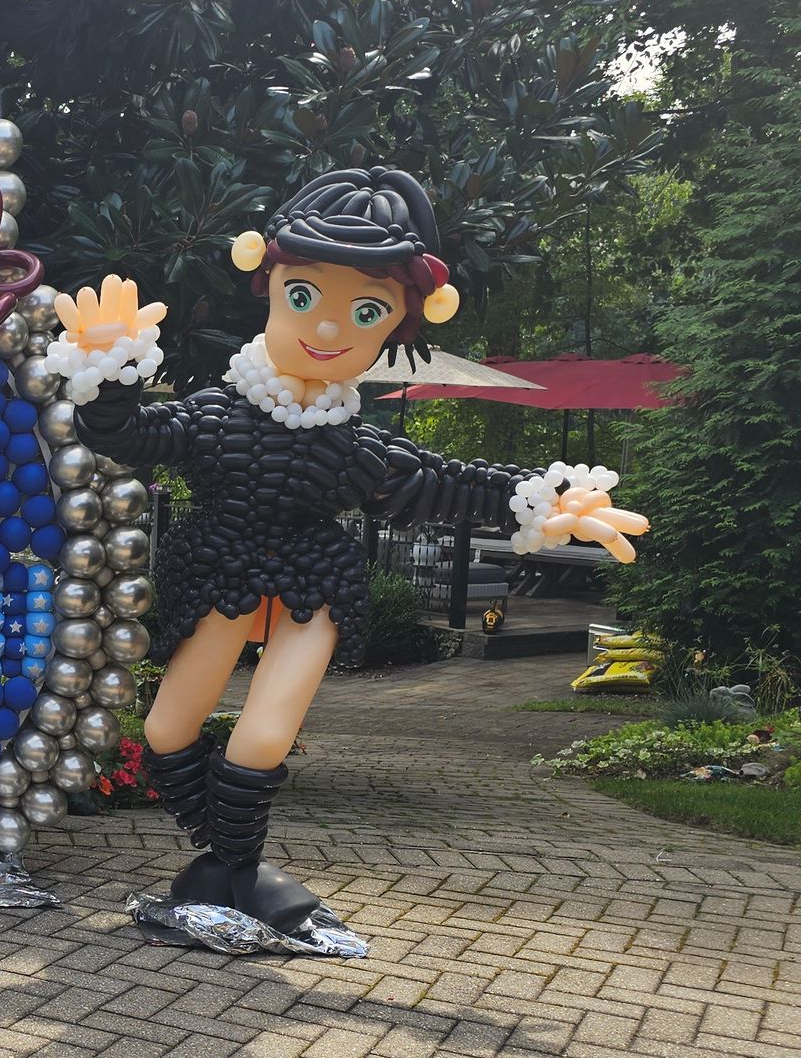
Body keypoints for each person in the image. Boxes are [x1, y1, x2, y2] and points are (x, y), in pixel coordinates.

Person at [54, 167, 647, 932]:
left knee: (264, 735)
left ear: (399, 323)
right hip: (216, 570)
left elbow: (447, 481)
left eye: (365, 312)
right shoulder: (210, 416)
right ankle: (228, 862)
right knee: (168, 731)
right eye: (304, 296)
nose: (329, 329)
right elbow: (130, 436)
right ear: (267, 282)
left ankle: (238, 867)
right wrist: (110, 382)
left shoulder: (357, 449)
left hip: (312, 580)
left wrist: (543, 497)